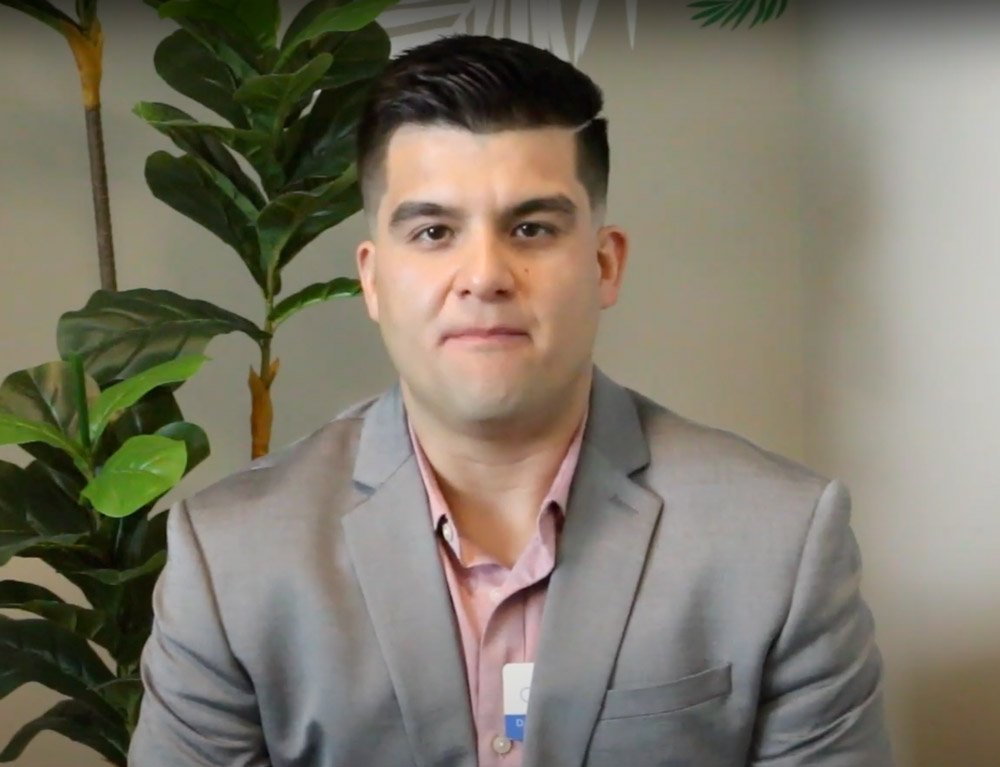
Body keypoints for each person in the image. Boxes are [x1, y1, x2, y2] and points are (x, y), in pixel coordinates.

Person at [129, 34, 894, 767]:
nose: (485, 275)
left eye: (530, 228)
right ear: (372, 277)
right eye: (434, 232)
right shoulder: (231, 560)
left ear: (604, 265)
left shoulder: (781, 542)